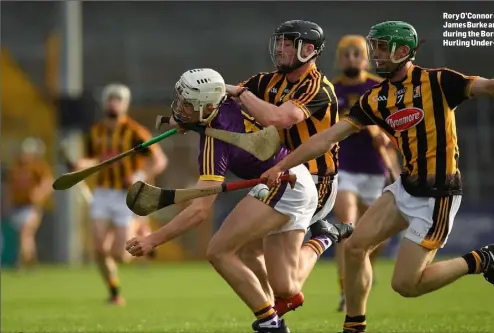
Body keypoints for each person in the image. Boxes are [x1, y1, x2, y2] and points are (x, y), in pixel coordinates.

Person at [261, 21, 494, 333]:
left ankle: (480, 260)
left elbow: (490, 86)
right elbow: (327, 138)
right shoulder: (375, 97)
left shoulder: (438, 81)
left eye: (382, 48)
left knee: (406, 285)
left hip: (438, 195)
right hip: (405, 186)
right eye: (375, 48)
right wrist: (283, 165)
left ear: (403, 50)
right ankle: (354, 325)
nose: (376, 56)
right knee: (355, 247)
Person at [125, 68, 353, 333]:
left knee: (219, 251)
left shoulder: (214, 138)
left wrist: (153, 239)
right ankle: (324, 237)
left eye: (187, 104)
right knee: (286, 288)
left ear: (207, 105)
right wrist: (191, 121)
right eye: (180, 100)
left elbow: (199, 210)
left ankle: (270, 323)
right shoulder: (231, 105)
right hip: (294, 182)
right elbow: (218, 108)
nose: (179, 107)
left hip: (284, 184)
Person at [222, 19, 341, 319]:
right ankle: (273, 309)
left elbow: (280, 118)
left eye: (289, 43)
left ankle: (323, 238)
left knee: (285, 283)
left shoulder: (317, 87)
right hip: (280, 177)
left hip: (315, 181)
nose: (280, 48)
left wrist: (240, 94)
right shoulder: (268, 81)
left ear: (309, 50)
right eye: (280, 42)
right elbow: (226, 96)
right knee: (249, 252)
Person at [77, 83, 168, 305]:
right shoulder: (96, 131)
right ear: (104, 102)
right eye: (110, 98)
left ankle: (139, 226)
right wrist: (79, 164)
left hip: (126, 196)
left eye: (118, 99)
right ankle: (115, 292)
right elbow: (91, 158)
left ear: (125, 104)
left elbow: (159, 161)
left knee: (122, 255)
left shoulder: (135, 132)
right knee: (98, 249)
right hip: (102, 193)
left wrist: (139, 173)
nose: (113, 102)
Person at [331, 34, 402, 312]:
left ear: (365, 57)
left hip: (376, 170)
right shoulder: (331, 89)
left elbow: (399, 124)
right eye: (346, 54)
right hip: (343, 167)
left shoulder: (379, 86)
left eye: (356, 54)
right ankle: (345, 290)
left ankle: (362, 274)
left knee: (378, 237)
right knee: (347, 225)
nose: (351, 59)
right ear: (339, 58)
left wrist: (385, 134)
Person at [5, 137, 53, 270]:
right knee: (25, 235)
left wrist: (39, 194)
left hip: (31, 207)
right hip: (17, 206)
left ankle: (20, 263)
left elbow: (48, 183)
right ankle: (31, 262)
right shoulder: (16, 167)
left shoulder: (39, 167)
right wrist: (7, 203)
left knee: (26, 233)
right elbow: (11, 187)